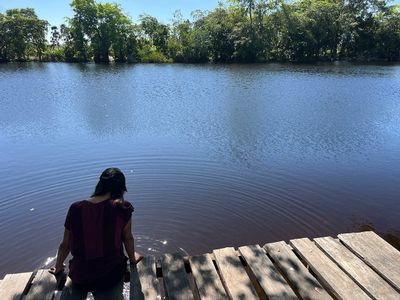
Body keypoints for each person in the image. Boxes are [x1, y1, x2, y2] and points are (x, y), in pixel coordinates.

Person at [49, 167, 142, 300]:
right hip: (111, 275)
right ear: (121, 188)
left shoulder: (76, 208)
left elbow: (65, 245)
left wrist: (58, 267)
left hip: (81, 277)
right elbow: (127, 238)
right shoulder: (122, 208)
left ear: (100, 185)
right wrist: (133, 258)